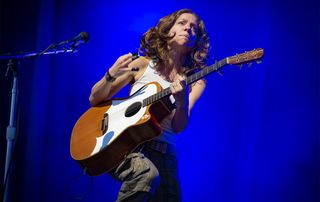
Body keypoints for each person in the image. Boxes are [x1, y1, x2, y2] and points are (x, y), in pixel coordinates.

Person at [89, 8, 210, 202]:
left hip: (165, 153)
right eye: (182, 23)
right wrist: (110, 74)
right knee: (145, 174)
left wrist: (181, 102)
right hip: (127, 144)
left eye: (194, 28)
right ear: (167, 29)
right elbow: (94, 98)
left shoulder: (196, 81)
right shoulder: (143, 64)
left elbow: (179, 127)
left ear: (196, 41)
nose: (188, 28)